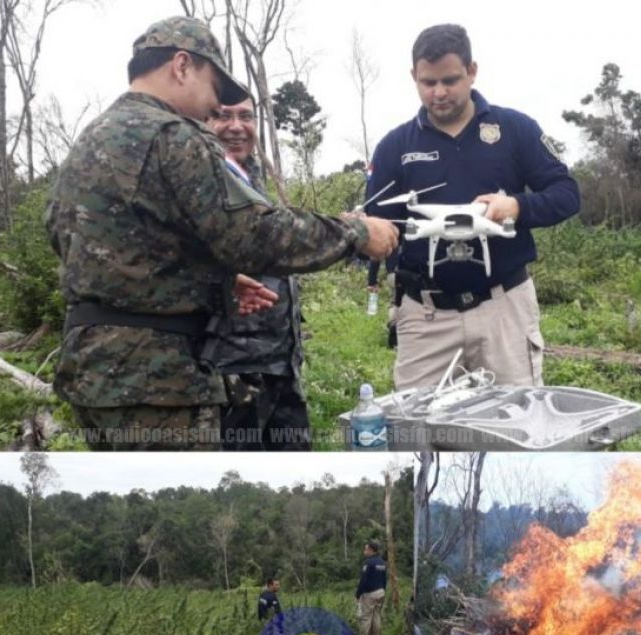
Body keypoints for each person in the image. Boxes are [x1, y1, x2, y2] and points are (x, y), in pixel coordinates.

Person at [46, 16, 398, 450]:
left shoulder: (92, 139)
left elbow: (78, 241)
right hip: (157, 383)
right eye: (214, 89)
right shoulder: (172, 135)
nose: (214, 107)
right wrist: (355, 233)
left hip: (90, 372)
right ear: (181, 66)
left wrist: (215, 283)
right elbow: (253, 235)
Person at [365, 24, 580, 391]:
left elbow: (567, 194)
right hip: (425, 315)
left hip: (504, 309)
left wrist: (517, 205)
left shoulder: (515, 130)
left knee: (515, 428)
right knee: (418, 432)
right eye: (428, 82)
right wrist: (367, 238)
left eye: (450, 80)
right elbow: (375, 221)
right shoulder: (395, 146)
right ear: (413, 77)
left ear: (472, 71)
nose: (439, 92)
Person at [201, 97, 310, 450]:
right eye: (223, 116)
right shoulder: (199, 180)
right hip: (234, 369)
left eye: (246, 116)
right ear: (204, 121)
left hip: (282, 364)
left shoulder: (253, 176)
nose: (236, 126)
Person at [355, 541, 387, 635]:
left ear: (371, 550)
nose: (364, 551)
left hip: (369, 593)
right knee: (376, 616)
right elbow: (384, 579)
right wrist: (383, 590)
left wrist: (358, 594)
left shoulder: (368, 563)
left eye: (365, 549)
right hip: (381, 592)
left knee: (366, 617)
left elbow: (363, 580)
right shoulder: (382, 562)